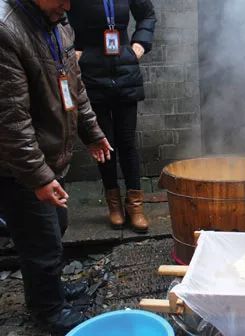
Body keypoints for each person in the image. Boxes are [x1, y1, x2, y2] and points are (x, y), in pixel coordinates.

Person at [0, 0, 112, 333]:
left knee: (55, 226)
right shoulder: (6, 30)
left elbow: (74, 87)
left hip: (48, 159)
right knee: (41, 242)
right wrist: (39, 177)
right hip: (19, 167)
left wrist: (91, 131)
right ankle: (48, 311)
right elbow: (10, 120)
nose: (68, 5)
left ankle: (52, 290)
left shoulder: (57, 24)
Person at [67, 0, 156, 233]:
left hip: (125, 70)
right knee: (104, 141)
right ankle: (114, 205)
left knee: (127, 142)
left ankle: (135, 206)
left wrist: (139, 45)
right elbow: (58, 17)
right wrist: (73, 51)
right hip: (92, 72)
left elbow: (147, 14)